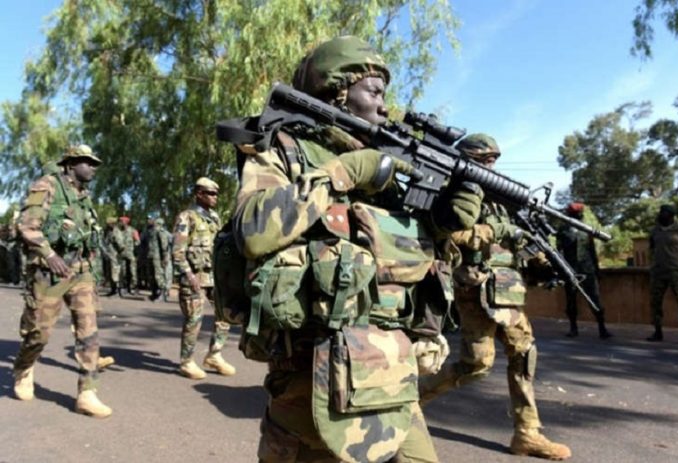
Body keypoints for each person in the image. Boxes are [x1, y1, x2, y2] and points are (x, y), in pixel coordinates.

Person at [231, 36, 482, 462]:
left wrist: (442, 223)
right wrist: (343, 172)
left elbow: (404, 259)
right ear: (338, 90)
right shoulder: (285, 150)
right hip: (311, 384)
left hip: (391, 374)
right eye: (375, 91)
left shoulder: (385, 168)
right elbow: (253, 230)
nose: (385, 105)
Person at [419, 134, 572, 460]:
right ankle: (410, 403)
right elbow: (452, 233)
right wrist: (496, 231)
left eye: (493, 161)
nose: (491, 166)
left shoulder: (503, 200)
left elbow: (518, 239)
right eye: (484, 160)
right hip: (474, 290)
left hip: (508, 290)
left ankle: (527, 433)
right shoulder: (453, 194)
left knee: (524, 356)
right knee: (476, 365)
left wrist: (541, 262)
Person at [12, 143, 112, 418]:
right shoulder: (48, 186)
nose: (92, 167)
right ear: (70, 165)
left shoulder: (84, 196)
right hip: (49, 272)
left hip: (79, 271)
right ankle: (23, 369)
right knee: (38, 334)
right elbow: (27, 226)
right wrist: (48, 253)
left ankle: (87, 393)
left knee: (88, 329)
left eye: (93, 163)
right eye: (86, 162)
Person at [172, 177, 235, 379]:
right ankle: (187, 361)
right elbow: (177, 252)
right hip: (194, 277)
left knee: (225, 315)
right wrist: (189, 275)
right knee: (194, 319)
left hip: (214, 276)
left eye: (216, 193)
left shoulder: (214, 218)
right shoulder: (186, 217)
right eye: (210, 193)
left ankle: (214, 354)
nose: (215, 197)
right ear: (199, 194)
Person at [556, 202, 612, 339]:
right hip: (570, 270)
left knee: (595, 299)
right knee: (571, 301)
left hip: (588, 270)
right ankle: (573, 328)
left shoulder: (587, 229)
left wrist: (596, 269)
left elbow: (592, 251)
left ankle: (602, 328)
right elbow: (558, 251)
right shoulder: (563, 230)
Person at [646, 204, 678, 346]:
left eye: (664, 213)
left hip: (677, 272)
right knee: (655, 302)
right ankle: (657, 332)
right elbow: (651, 248)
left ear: (671, 215)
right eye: (660, 212)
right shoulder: (655, 230)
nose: (661, 215)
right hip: (658, 272)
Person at [145, 216, 169, 301]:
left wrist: (164, 257)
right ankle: (154, 293)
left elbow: (164, 245)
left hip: (157, 257)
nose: (148, 221)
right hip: (150, 256)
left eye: (149, 219)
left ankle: (162, 294)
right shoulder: (149, 231)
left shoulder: (159, 230)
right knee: (151, 276)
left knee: (158, 276)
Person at [118, 216, 140, 294]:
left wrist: (135, 249)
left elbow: (138, 241)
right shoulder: (119, 231)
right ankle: (125, 287)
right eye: (120, 221)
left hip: (131, 254)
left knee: (132, 271)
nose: (120, 223)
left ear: (126, 222)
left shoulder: (132, 230)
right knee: (123, 271)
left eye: (122, 221)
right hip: (122, 254)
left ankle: (134, 287)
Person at [103, 216, 124, 297]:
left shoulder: (116, 232)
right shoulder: (109, 232)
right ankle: (113, 290)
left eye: (109, 224)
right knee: (111, 273)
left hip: (115, 256)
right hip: (110, 256)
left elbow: (121, 245)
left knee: (116, 273)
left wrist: (119, 254)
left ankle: (117, 291)